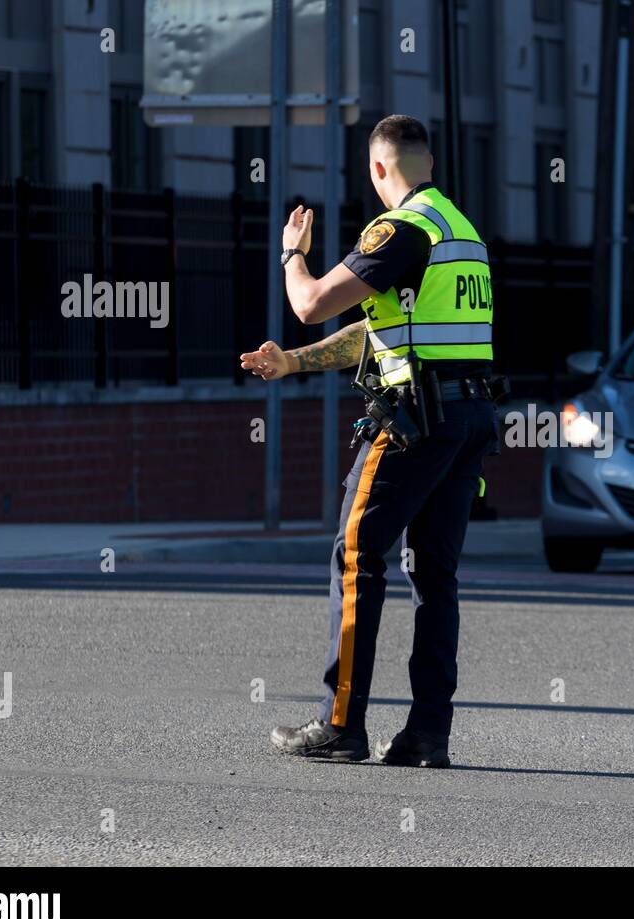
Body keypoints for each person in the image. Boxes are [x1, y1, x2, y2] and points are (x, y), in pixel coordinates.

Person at [238, 115, 497, 769]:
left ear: (380, 168)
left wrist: (292, 254)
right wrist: (293, 363)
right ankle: (427, 734)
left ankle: (340, 722)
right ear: (428, 161)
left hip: (417, 423)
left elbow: (314, 302)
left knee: (356, 554)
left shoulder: (401, 228)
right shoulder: (460, 231)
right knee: (435, 575)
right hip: (468, 421)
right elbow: (376, 331)